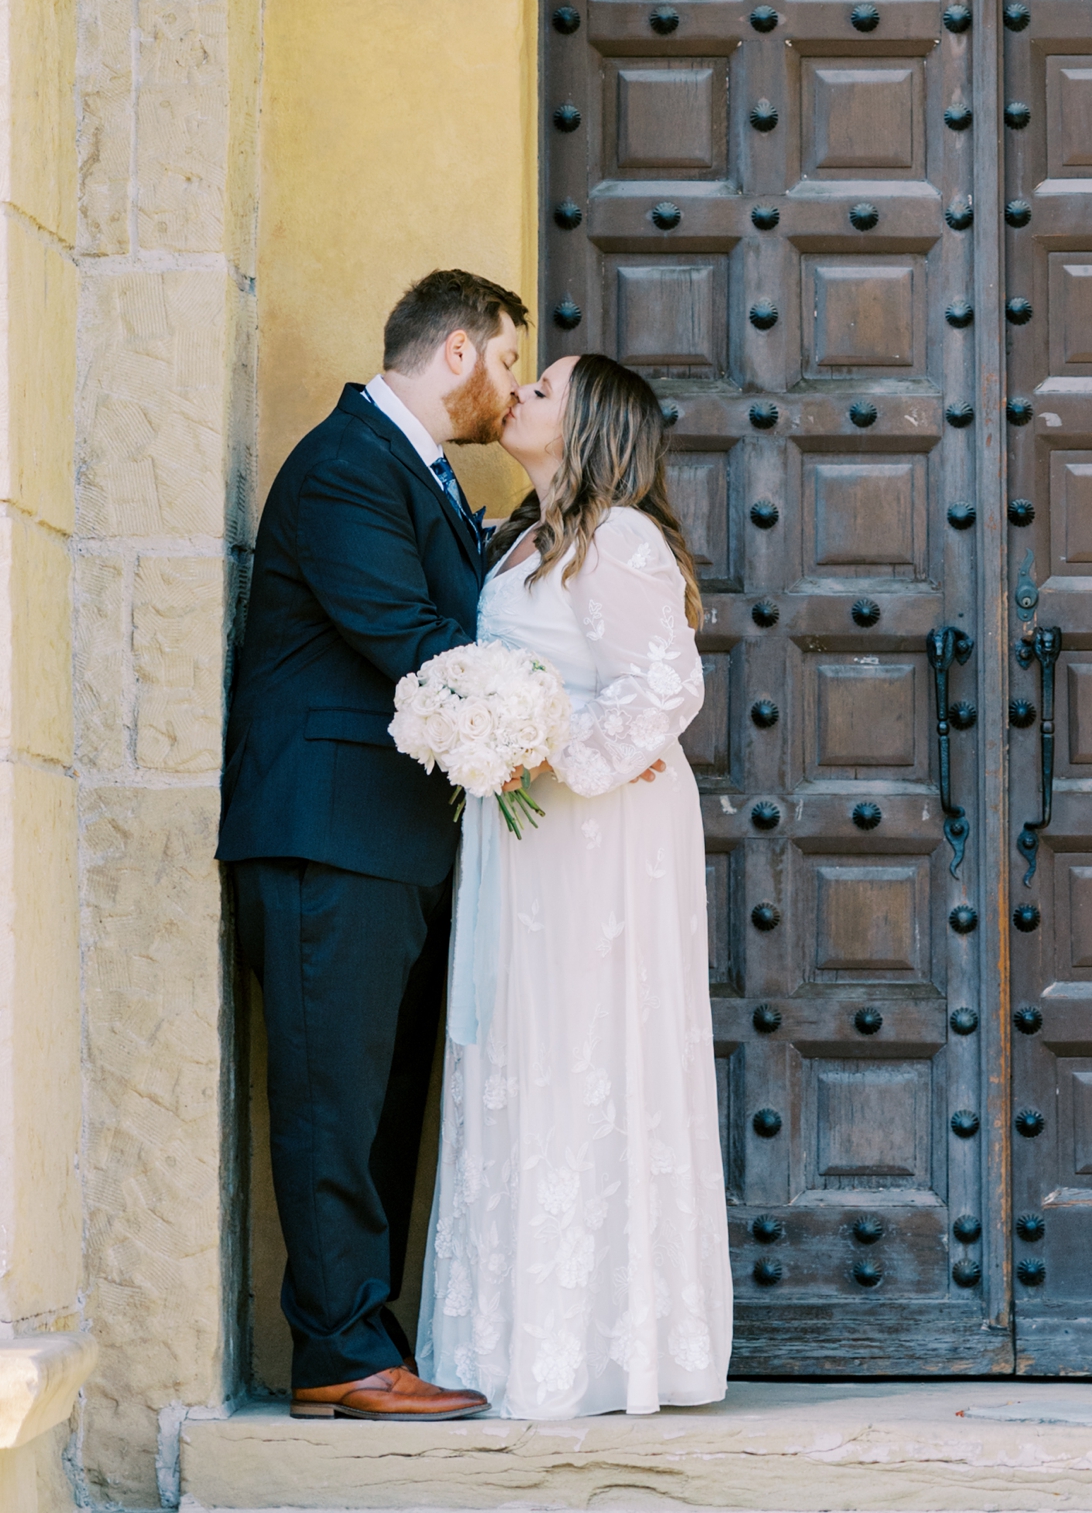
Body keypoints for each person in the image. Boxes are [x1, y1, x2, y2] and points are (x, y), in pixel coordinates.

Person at [219, 265, 526, 1421]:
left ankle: (366, 1343)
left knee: (382, 1104)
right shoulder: (351, 464)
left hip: (390, 845)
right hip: (326, 837)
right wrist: (547, 707)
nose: (508, 386)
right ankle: (339, 1355)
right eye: (506, 360)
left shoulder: (423, 472)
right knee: (328, 1106)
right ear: (458, 351)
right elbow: (412, 637)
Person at [420, 350, 733, 1419]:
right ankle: (516, 1334)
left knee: (589, 1046)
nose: (521, 397)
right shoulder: (521, 547)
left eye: (543, 389)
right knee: (522, 1046)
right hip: (527, 840)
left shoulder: (622, 540)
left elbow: (667, 685)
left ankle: (607, 1346)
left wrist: (551, 745)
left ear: (589, 425)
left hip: (603, 839)